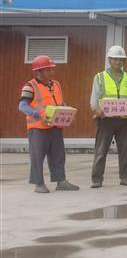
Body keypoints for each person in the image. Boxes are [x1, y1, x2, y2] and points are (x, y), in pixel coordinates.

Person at [19, 55, 79, 193]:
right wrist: (38, 115)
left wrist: (69, 114)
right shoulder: (30, 86)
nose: (51, 72)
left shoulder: (56, 84)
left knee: (58, 155)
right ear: (38, 71)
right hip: (38, 128)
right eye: (48, 70)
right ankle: (39, 184)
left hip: (56, 127)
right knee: (37, 157)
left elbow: (60, 103)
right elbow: (22, 106)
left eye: (52, 69)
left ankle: (61, 181)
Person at [90, 45, 127, 188]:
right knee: (101, 150)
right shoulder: (100, 77)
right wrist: (97, 109)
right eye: (115, 59)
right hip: (106, 120)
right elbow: (95, 97)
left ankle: (125, 177)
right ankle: (97, 179)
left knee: (125, 150)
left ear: (124, 61)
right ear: (109, 60)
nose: (118, 62)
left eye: (121, 60)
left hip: (123, 119)